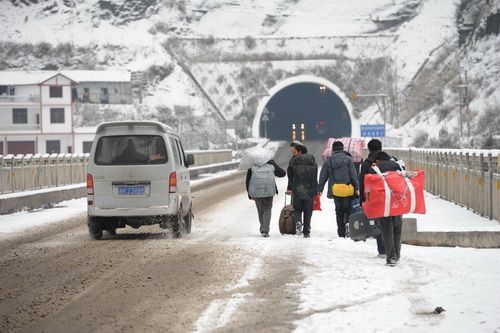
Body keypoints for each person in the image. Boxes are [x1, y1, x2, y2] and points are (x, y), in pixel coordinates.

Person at [367, 149, 404, 267]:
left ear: (377, 160)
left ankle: (391, 257)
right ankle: (397, 255)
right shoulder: (398, 166)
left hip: (384, 204)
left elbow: (370, 188)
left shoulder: (374, 169)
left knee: (387, 230)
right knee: (397, 228)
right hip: (398, 202)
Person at [318, 141, 359, 238]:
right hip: (348, 189)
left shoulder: (328, 161)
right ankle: (348, 223)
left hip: (335, 190)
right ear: (342, 149)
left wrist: (320, 188)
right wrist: (356, 187)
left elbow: (323, 176)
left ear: (333, 150)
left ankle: (341, 232)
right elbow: (353, 175)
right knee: (347, 209)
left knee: (339, 211)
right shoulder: (348, 159)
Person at [246, 159, 286, 237]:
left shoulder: (253, 164)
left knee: (260, 210)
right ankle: (265, 230)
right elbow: (282, 174)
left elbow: (248, 180)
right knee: (267, 209)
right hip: (269, 191)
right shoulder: (270, 163)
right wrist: (274, 164)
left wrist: (250, 193)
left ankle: (263, 228)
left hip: (256, 191)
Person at [359, 139, 385, 257]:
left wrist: (362, 200)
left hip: (374, 198)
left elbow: (362, 183)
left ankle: (383, 250)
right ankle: (393, 250)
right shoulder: (390, 160)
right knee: (391, 224)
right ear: (381, 147)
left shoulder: (366, 164)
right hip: (391, 197)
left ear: (369, 149)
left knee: (379, 224)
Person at [286, 141, 318, 238]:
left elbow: (290, 176)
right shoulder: (312, 161)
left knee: (297, 209)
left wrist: (290, 188)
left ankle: (298, 222)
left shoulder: (293, 161)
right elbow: (314, 176)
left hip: (297, 188)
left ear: (299, 151)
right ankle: (306, 232)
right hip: (310, 189)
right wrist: (315, 189)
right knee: (308, 211)